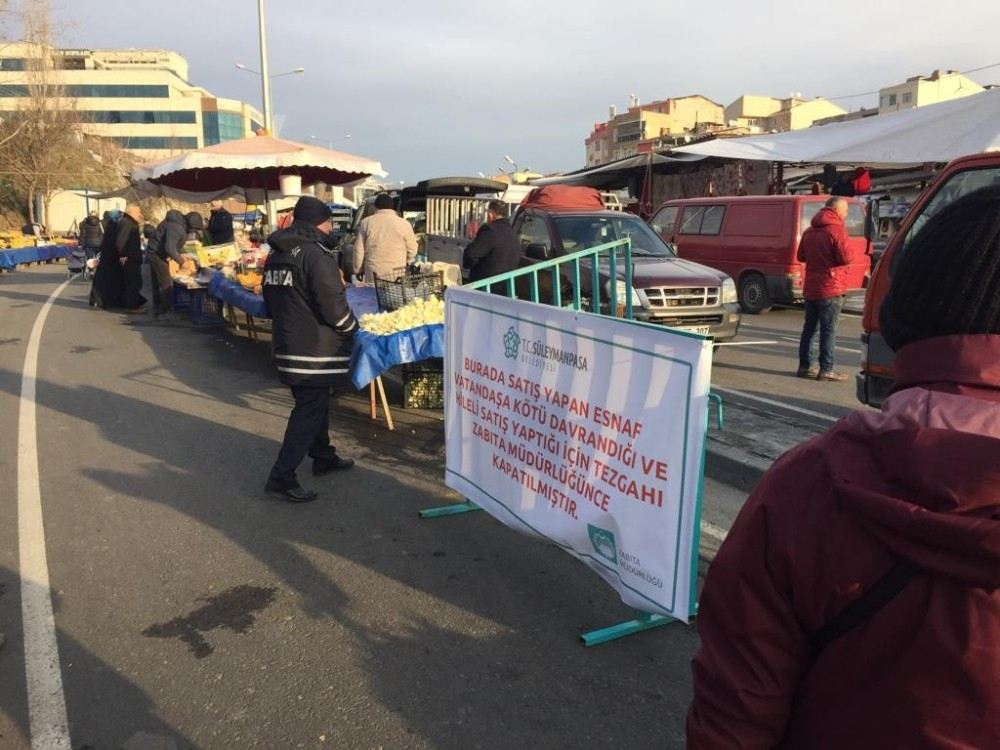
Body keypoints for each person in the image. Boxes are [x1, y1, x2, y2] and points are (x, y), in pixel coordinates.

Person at [687, 185, 1000, 749]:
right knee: (826, 331)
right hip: (828, 289)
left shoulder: (805, 488)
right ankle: (820, 366)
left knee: (814, 332)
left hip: (813, 291)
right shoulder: (833, 235)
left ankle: (812, 365)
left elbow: (735, 713)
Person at [262, 196, 358, 503]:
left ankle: (323, 455)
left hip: (288, 344)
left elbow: (269, 301)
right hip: (314, 351)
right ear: (319, 222)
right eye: (329, 221)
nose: (331, 227)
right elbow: (333, 306)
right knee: (308, 411)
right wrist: (353, 330)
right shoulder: (317, 257)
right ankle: (282, 476)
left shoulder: (277, 255)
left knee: (315, 404)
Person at [796, 196, 854, 381]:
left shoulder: (809, 231)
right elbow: (846, 257)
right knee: (828, 329)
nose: (846, 215)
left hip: (812, 285)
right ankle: (826, 369)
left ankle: (805, 366)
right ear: (836, 210)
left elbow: (801, 256)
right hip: (831, 286)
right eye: (845, 211)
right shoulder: (837, 231)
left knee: (810, 328)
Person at [352, 193, 417, 282]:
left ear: (376, 206)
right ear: (392, 206)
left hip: (373, 273)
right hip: (397, 274)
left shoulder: (366, 223)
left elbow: (358, 250)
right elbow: (412, 250)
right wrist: (406, 259)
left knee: (372, 295)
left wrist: (358, 270)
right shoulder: (404, 224)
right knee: (393, 295)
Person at [462, 199, 521, 283]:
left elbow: (471, 254)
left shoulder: (490, 230)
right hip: (507, 284)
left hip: (488, 285)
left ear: (490, 214)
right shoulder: (512, 232)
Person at [148, 210, 188, 320]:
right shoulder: (176, 227)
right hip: (158, 255)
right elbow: (169, 248)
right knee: (167, 284)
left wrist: (176, 255)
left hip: (153, 252)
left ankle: (157, 308)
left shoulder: (166, 223)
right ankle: (164, 312)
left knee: (157, 282)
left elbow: (167, 245)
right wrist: (182, 261)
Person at [90, 209, 125, 309]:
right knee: (110, 280)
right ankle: (106, 301)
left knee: (102, 279)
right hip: (111, 257)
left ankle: (97, 300)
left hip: (106, 256)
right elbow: (115, 243)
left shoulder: (109, 225)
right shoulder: (115, 227)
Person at [117, 204, 147, 313]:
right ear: (131, 213)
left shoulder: (128, 223)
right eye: (137, 212)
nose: (139, 215)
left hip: (132, 256)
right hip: (130, 257)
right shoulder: (127, 223)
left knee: (134, 282)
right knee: (133, 282)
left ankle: (133, 303)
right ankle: (133, 306)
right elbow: (121, 241)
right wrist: (123, 254)